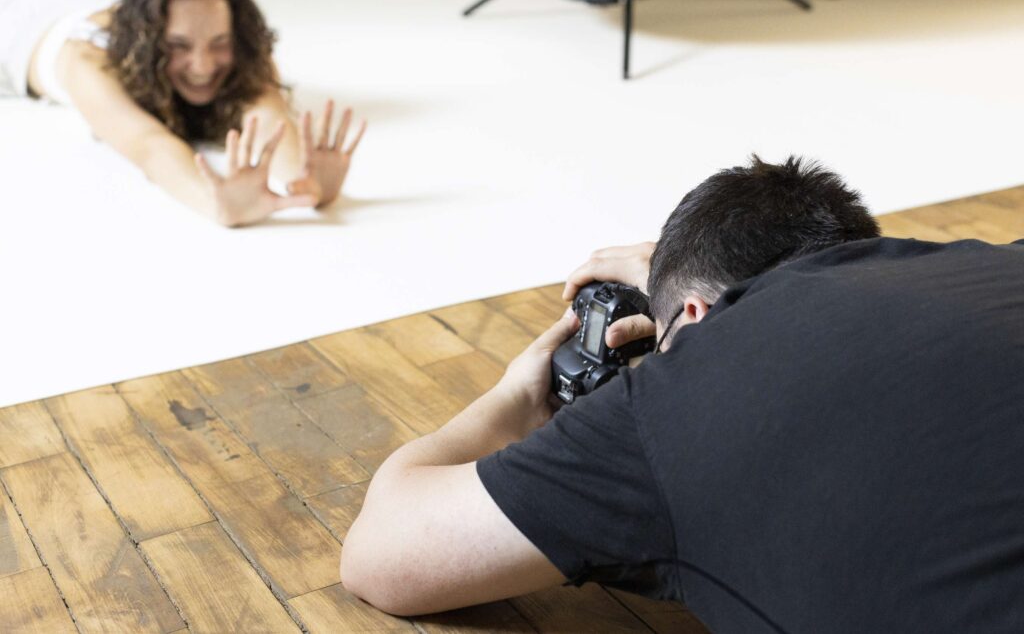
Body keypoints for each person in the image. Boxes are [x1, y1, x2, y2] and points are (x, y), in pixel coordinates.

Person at [340, 156, 1024, 632]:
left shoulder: (688, 395)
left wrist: (514, 397)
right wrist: (675, 277)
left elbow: (381, 555)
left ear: (693, 318)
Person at [0, 0, 365, 226]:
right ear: (149, 41)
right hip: (17, 4)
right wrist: (216, 203)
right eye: (178, 46)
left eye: (218, 42)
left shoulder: (236, 40)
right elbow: (147, 144)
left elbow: (267, 113)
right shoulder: (85, 58)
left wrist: (306, 183)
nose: (204, 66)